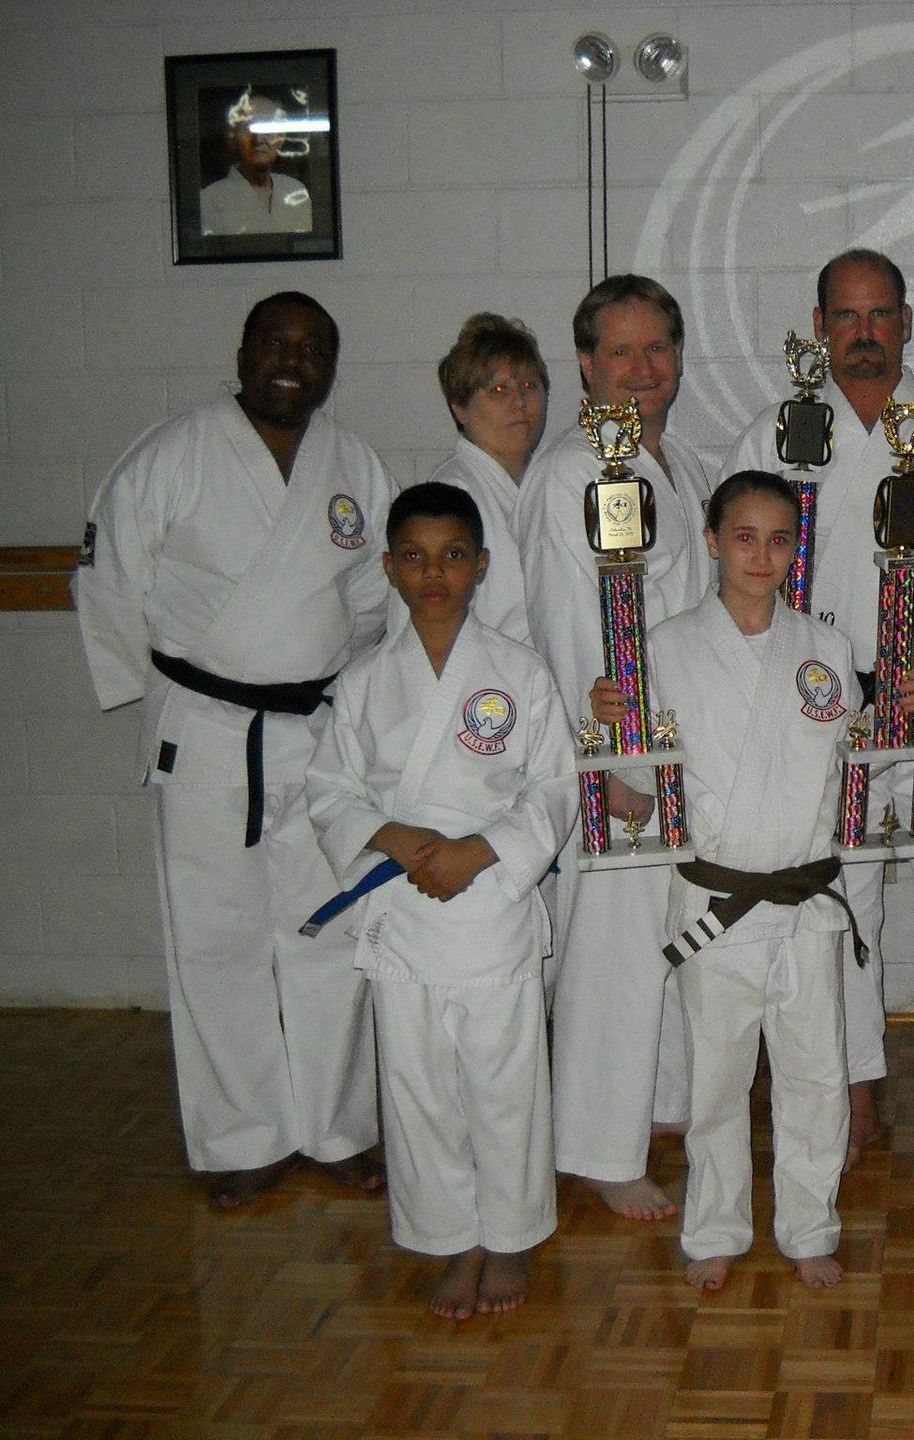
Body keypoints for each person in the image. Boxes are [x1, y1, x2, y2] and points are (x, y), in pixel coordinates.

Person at [74, 291, 392, 1208]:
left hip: (317, 737)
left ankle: (337, 1127)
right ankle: (241, 1138)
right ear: (244, 350)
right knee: (217, 945)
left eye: (313, 347)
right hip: (209, 737)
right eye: (276, 341)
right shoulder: (170, 456)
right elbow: (111, 585)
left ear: (331, 365)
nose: (292, 359)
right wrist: (177, 691)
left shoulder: (353, 465)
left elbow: (373, 603)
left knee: (329, 933)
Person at [725, 248, 914, 1177]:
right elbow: (740, 582)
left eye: (881, 315)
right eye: (845, 317)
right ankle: (851, 1095)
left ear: (906, 324)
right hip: (823, 720)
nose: (863, 333)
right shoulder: (773, 439)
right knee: (840, 912)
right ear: (819, 327)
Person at [610, 473, 905, 1292]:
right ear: (711, 540)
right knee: (717, 1077)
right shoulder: (663, 648)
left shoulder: (827, 649)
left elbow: (857, 775)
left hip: (807, 900)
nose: (762, 555)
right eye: (745, 536)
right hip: (716, 900)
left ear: (795, 550)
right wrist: (615, 725)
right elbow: (637, 787)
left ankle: (810, 1226)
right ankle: (714, 1228)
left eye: (780, 539)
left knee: (816, 1074)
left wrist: (894, 726)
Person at [306, 483, 575, 1320]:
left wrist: (477, 851)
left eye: (454, 555)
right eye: (415, 557)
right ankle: (448, 1240)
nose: (435, 574)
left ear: (482, 566)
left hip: (491, 903)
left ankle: (509, 1236)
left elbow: (553, 791)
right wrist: (400, 843)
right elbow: (329, 791)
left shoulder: (519, 672)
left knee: (505, 1085)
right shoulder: (362, 683)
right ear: (387, 568)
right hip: (407, 917)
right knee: (418, 1088)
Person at [516, 275, 713, 1222]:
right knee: (610, 947)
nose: (643, 369)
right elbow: (567, 632)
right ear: (585, 363)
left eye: (658, 349)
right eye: (621, 352)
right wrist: (614, 767)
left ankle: (659, 1104)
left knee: (666, 932)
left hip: (678, 744)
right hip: (619, 751)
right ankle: (597, 1143)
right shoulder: (572, 472)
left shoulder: (680, 464)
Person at [415, 314, 549, 643]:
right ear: (459, 406)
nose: (519, 402)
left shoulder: (550, 480)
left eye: (530, 386)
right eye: (499, 389)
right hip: (485, 686)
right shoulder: (451, 494)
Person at [198, 89, 313, 236]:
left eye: (268, 128)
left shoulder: (296, 191)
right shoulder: (211, 199)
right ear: (232, 138)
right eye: (248, 129)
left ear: (281, 138)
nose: (259, 139)